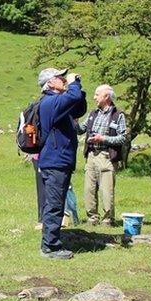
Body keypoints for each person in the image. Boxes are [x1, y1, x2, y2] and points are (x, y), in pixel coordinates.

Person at [36, 67, 87, 259]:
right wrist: (74, 84)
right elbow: (72, 98)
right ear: (50, 83)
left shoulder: (57, 102)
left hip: (59, 160)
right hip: (55, 161)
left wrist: (79, 90)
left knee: (55, 202)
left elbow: (79, 107)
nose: (63, 79)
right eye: (59, 77)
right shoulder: (50, 102)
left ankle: (51, 242)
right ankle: (50, 247)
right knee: (55, 204)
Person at [76, 84, 127, 226]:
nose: (94, 97)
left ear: (106, 97)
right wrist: (73, 119)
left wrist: (103, 138)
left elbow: (122, 138)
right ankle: (92, 218)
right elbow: (80, 130)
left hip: (107, 157)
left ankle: (107, 220)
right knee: (89, 189)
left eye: (97, 94)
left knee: (107, 191)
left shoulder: (118, 115)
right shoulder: (93, 114)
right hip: (92, 155)